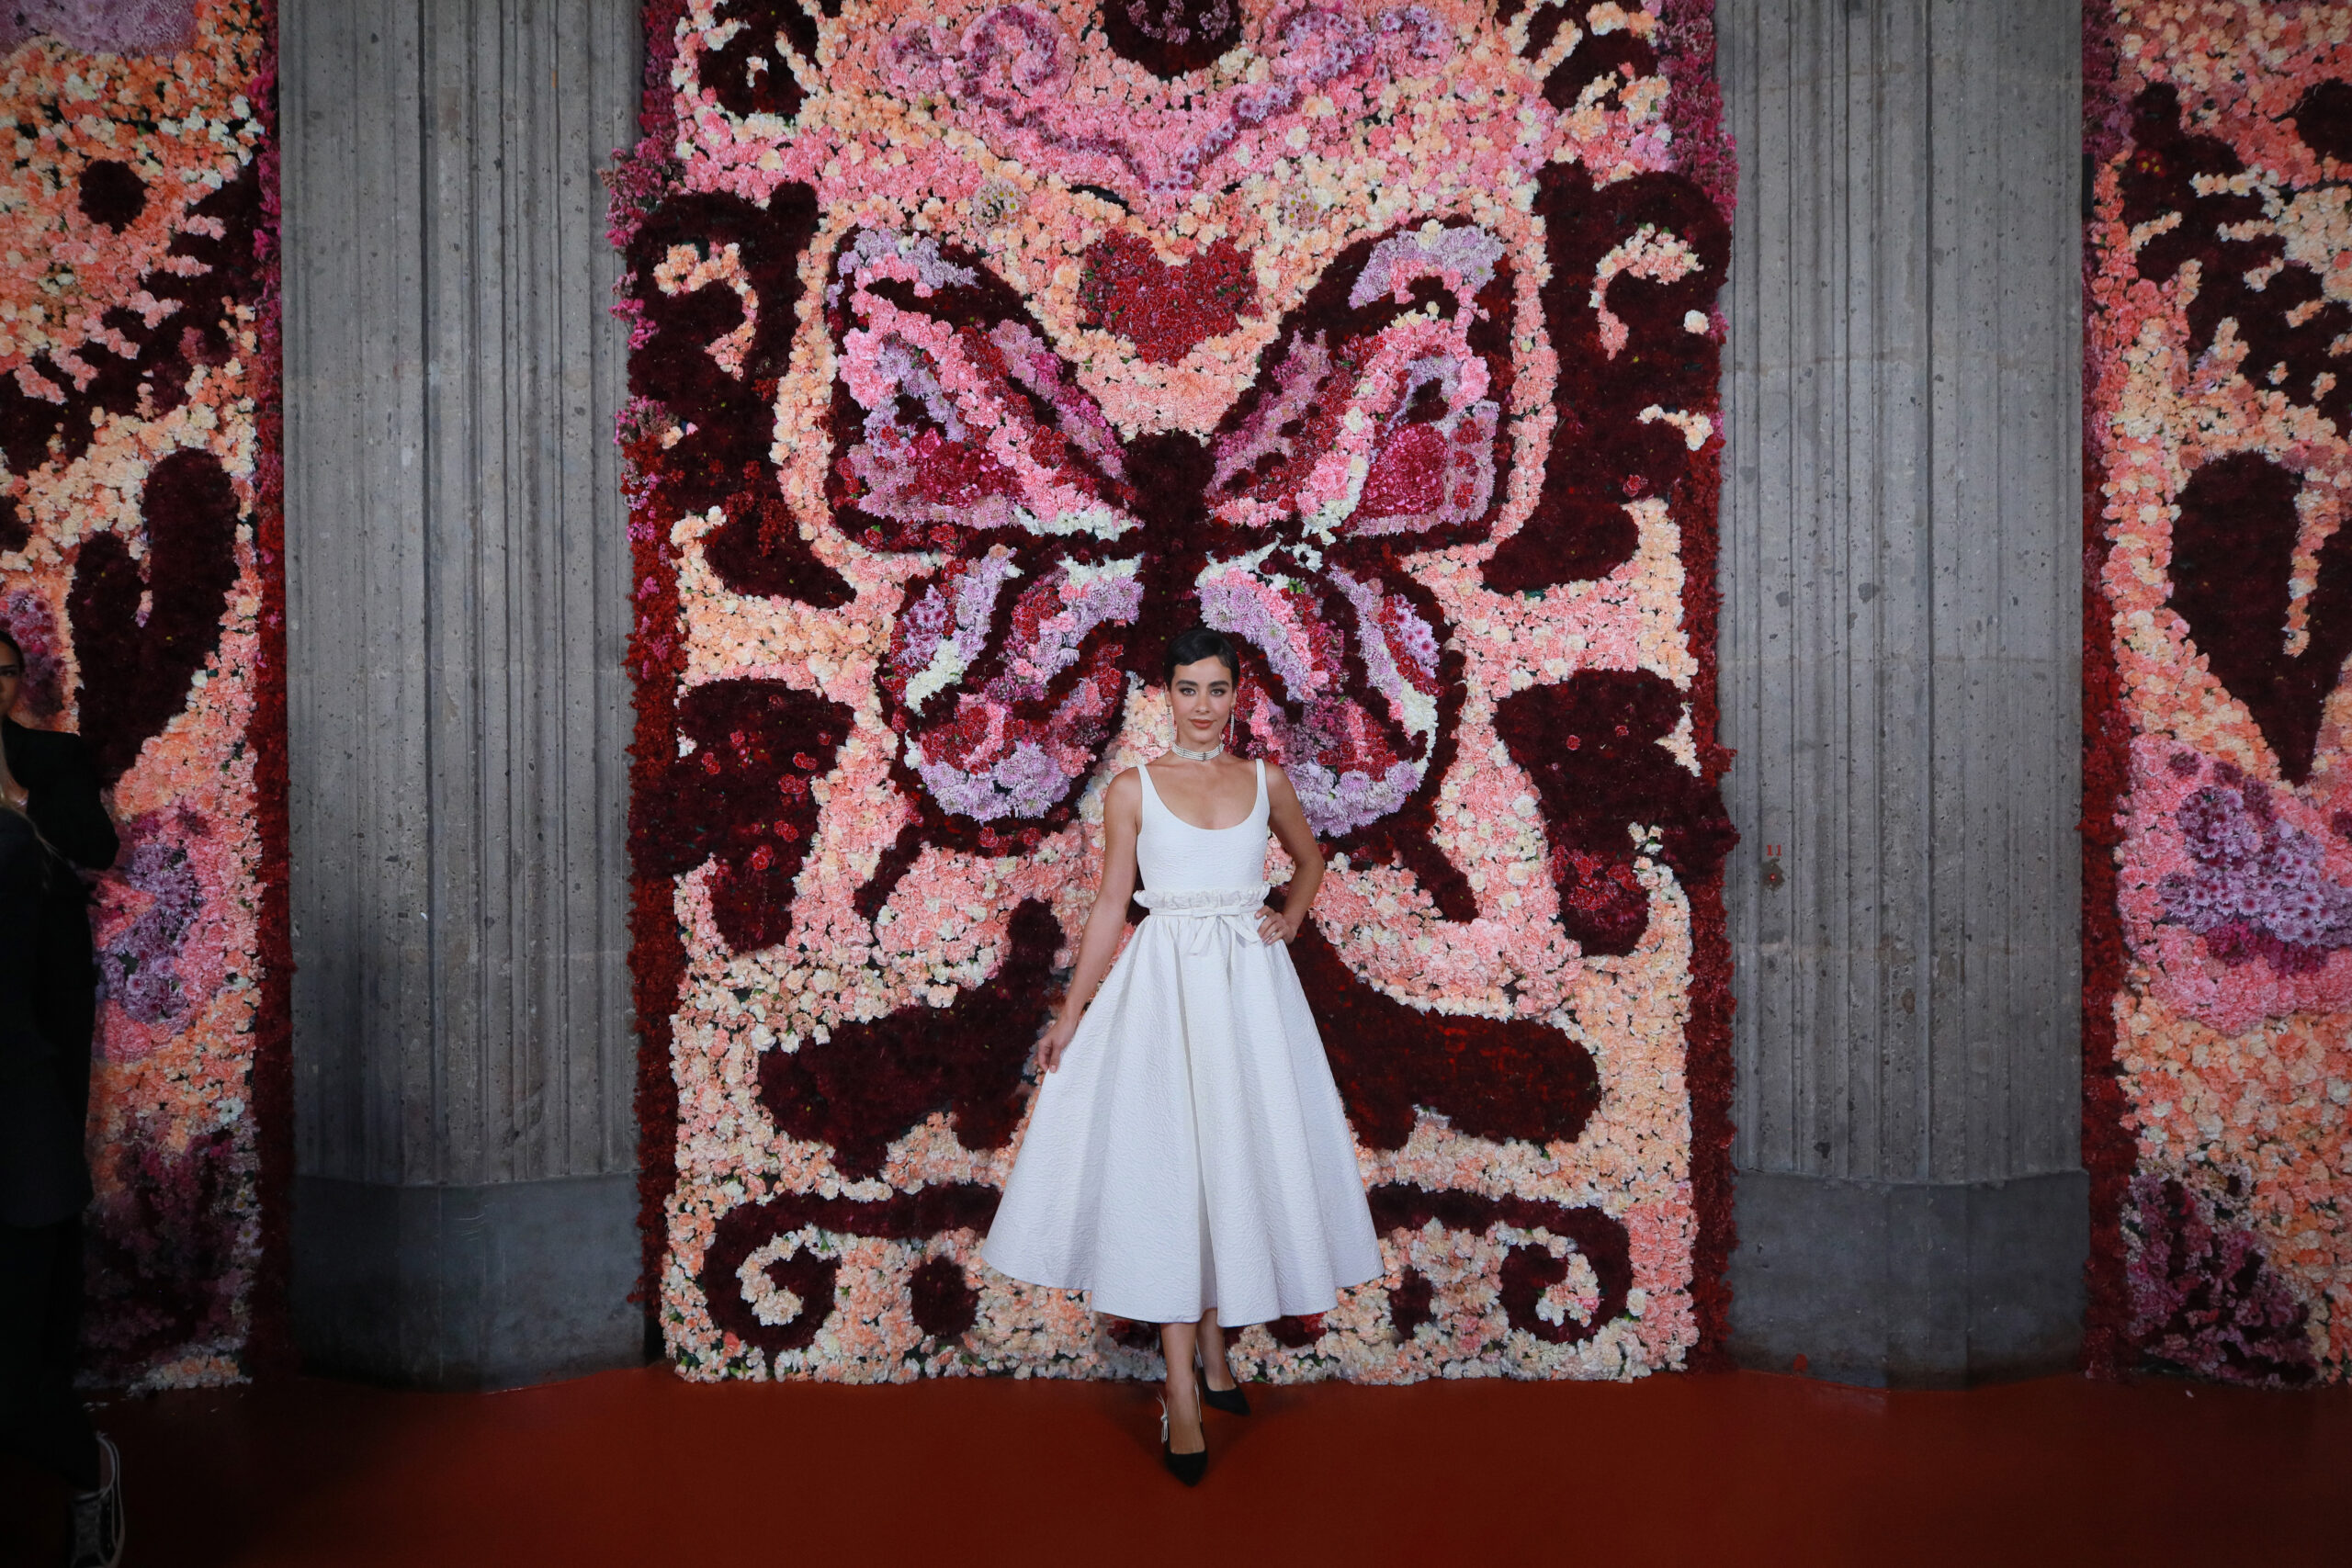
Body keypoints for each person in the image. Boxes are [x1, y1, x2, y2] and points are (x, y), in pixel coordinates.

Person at [982, 626, 1383, 1486]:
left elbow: (1310, 861)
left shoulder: (1265, 779)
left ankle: (1214, 1349)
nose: (1202, 704)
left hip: (1249, 993)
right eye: (1187, 688)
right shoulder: (1132, 789)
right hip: (1163, 992)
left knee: (1229, 1158)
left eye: (1217, 688)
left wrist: (1289, 916)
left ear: (1238, 694)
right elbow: (1109, 906)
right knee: (1169, 1167)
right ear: (1164, 693)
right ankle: (1183, 1389)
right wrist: (1071, 1012)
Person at [0, 625, 125, 1566]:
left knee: (16, 1376)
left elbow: (91, 849)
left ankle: (88, 1470)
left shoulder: (34, 790)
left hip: (22, 1078)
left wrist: (21, 805)